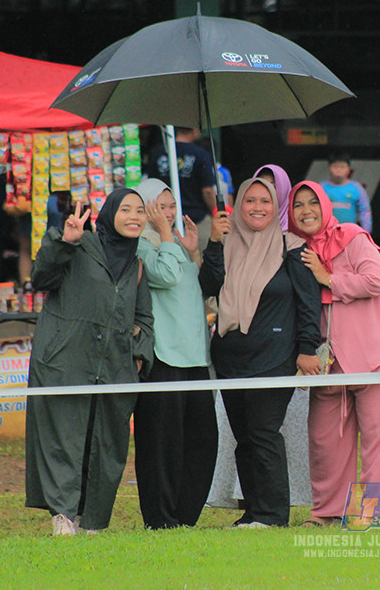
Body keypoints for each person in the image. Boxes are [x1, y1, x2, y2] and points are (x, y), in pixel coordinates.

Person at [25, 189, 154, 536]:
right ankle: (63, 515)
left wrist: (139, 355)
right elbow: (41, 278)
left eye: (140, 211)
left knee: (106, 445)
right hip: (66, 361)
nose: (134, 216)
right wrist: (63, 242)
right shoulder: (80, 245)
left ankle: (92, 520)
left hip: (114, 369)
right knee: (64, 438)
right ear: (109, 213)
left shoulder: (136, 265)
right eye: (125, 209)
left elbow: (144, 317)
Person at [199, 178, 322, 528]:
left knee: (264, 432)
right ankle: (253, 511)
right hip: (230, 356)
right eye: (250, 200)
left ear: (277, 206)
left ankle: (272, 514)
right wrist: (213, 242)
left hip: (275, 357)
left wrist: (307, 349)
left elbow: (309, 306)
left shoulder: (293, 249)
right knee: (243, 438)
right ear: (238, 206)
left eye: (265, 201)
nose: (257, 207)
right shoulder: (228, 243)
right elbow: (207, 285)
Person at [288, 181, 380, 527]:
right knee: (326, 441)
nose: (306, 210)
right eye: (298, 205)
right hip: (327, 363)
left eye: (313, 202)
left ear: (326, 206)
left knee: (379, 441)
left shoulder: (351, 236)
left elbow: (375, 281)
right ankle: (327, 512)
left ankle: (379, 513)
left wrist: (329, 277)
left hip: (375, 356)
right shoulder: (294, 249)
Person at [132, 178, 217, 529]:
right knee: (161, 443)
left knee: (202, 439)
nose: (168, 214)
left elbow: (192, 290)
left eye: (171, 207)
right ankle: (160, 517)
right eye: (160, 207)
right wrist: (168, 234)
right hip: (163, 357)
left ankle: (186, 515)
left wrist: (194, 252)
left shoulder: (178, 243)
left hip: (196, 356)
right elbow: (165, 276)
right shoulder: (140, 245)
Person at [145, 126, 218, 249]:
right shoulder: (200, 154)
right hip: (197, 219)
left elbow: (151, 185)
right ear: (195, 131)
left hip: (164, 219)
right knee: (201, 261)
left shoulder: (159, 152)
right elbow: (208, 191)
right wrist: (214, 212)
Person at [320, 153, 372, 231]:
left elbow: (365, 211)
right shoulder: (321, 188)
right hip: (326, 234)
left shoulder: (356, 188)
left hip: (350, 233)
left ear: (348, 169)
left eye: (342, 167)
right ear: (329, 168)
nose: (339, 170)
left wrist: (366, 232)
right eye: (335, 166)